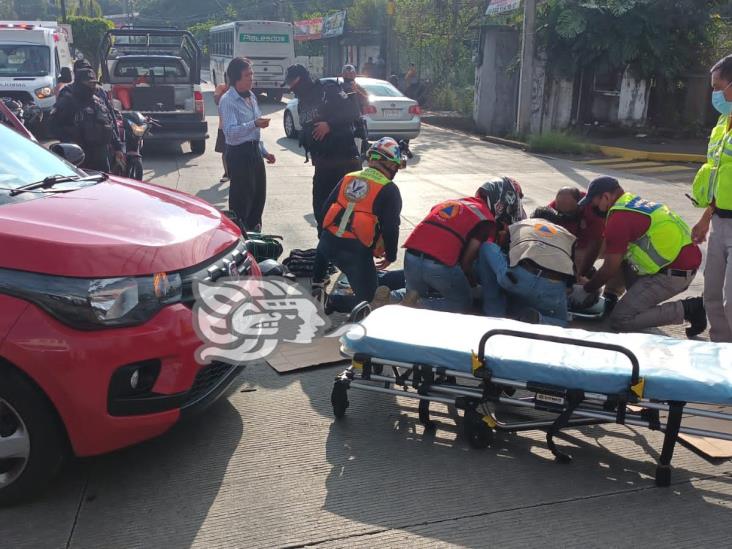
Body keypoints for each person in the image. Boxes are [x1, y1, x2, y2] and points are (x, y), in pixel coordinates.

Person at [577, 176, 706, 337]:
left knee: (620, 319)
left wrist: (586, 289)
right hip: (674, 265)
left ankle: (691, 308)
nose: (593, 207)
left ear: (606, 197)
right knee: (617, 252)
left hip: (673, 275)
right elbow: (603, 247)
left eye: (594, 202)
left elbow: (610, 268)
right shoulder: (630, 204)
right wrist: (583, 273)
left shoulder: (619, 219)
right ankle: (611, 298)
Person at [311, 138, 404, 310]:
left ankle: (317, 282)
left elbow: (325, 210)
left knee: (326, 247)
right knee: (370, 302)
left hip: (327, 244)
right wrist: (391, 255)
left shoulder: (349, 177)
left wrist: (324, 237)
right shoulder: (389, 189)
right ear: (392, 165)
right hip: (355, 252)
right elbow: (391, 227)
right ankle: (330, 302)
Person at [283, 64, 362, 236]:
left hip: (345, 161)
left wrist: (330, 125)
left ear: (301, 79)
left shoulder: (328, 90)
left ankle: (349, 255)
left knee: (349, 214)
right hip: (323, 164)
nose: (291, 87)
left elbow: (353, 112)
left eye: (292, 82)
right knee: (322, 210)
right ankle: (325, 250)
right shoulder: (302, 102)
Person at [691, 54, 732, 342]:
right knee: (713, 296)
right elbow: (719, 177)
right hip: (720, 222)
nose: (715, 93)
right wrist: (705, 219)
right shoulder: (722, 122)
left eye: (718, 86)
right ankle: (721, 356)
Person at [402, 195, 497, 313]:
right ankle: (418, 306)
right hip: (439, 263)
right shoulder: (486, 220)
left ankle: (390, 298)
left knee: (413, 294)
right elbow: (466, 263)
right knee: (462, 303)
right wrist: (473, 285)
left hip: (411, 255)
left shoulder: (450, 203)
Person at [478, 215, 577, 326]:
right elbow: (571, 280)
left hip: (519, 279)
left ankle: (494, 312)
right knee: (562, 322)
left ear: (533, 217)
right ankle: (540, 320)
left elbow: (504, 250)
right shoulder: (567, 236)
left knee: (487, 247)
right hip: (552, 288)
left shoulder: (522, 224)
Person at [219, 57, 276, 232]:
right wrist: (254, 124)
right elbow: (230, 132)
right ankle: (239, 236)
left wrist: (264, 152)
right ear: (236, 78)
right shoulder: (228, 100)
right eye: (247, 75)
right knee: (242, 200)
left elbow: (254, 134)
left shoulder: (251, 96)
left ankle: (255, 235)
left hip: (254, 152)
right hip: (239, 154)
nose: (251, 77)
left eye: (251, 73)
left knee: (258, 197)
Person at [50, 68, 125, 172]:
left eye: (94, 84)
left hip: (101, 155)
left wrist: (118, 148)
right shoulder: (68, 101)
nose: (92, 87)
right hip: (78, 155)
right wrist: (69, 140)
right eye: (89, 84)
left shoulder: (98, 102)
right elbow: (54, 126)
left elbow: (109, 125)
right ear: (80, 83)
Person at [548, 186, 605, 277]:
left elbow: (596, 243)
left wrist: (582, 272)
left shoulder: (593, 210)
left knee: (578, 260)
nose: (565, 216)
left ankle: (587, 272)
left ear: (580, 204)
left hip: (596, 241)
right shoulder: (552, 208)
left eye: (569, 213)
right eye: (561, 212)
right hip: (568, 239)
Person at [214, 82, 230, 183]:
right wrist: (223, 91)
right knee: (225, 152)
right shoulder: (221, 87)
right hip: (223, 127)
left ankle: (236, 173)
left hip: (238, 127)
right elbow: (216, 101)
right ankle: (227, 173)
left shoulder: (241, 89)